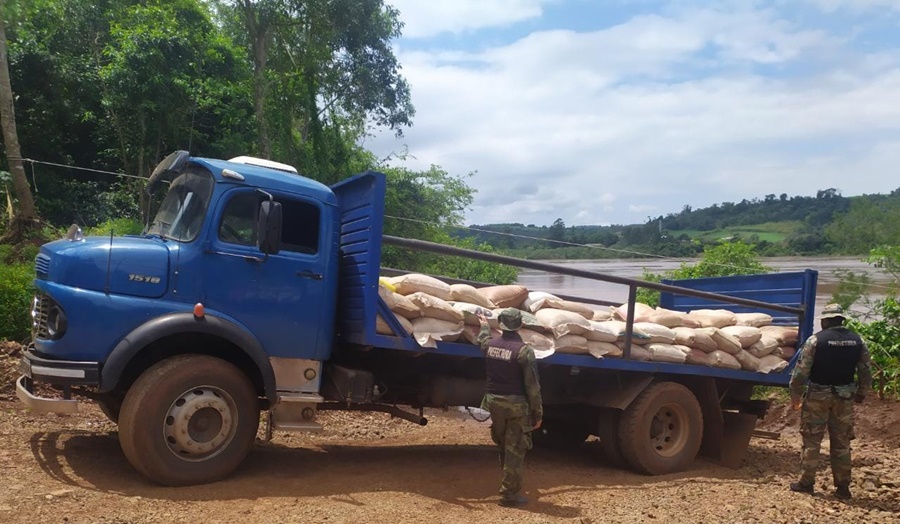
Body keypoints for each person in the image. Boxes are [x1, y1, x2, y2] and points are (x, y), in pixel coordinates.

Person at [788, 303, 872, 500]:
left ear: (825, 321)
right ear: (841, 319)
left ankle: (806, 483)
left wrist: (795, 394)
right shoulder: (857, 341)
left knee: (812, 439)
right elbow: (865, 370)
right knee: (842, 441)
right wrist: (862, 392)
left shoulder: (816, 341)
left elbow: (801, 371)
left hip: (818, 397)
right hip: (844, 397)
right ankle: (843, 488)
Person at [475, 307, 543, 507]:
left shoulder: (490, 345)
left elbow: (482, 339)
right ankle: (509, 495)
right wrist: (538, 414)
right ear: (520, 325)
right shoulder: (524, 351)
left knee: (504, 444)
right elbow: (533, 387)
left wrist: (484, 325)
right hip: (516, 407)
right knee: (515, 448)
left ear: (501, 325)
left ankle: (507, 484)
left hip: (494, 402)